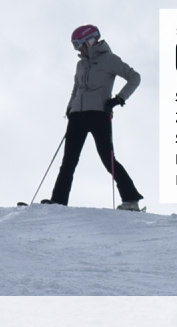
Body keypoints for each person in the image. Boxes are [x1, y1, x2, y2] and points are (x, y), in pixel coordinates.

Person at [47, 25, 144, 210]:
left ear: (90, 41)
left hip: (99, 114)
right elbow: (76, 88)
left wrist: (118, 99)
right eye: (74, 45)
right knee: (68, 161)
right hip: (77, 116)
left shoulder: (109, 60)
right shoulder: (80, 64)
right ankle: (58, 202)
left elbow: (134, 77)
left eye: (78, 44)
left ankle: (131, 200)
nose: (77, 49)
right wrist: (70, 107)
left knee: (108, 160)